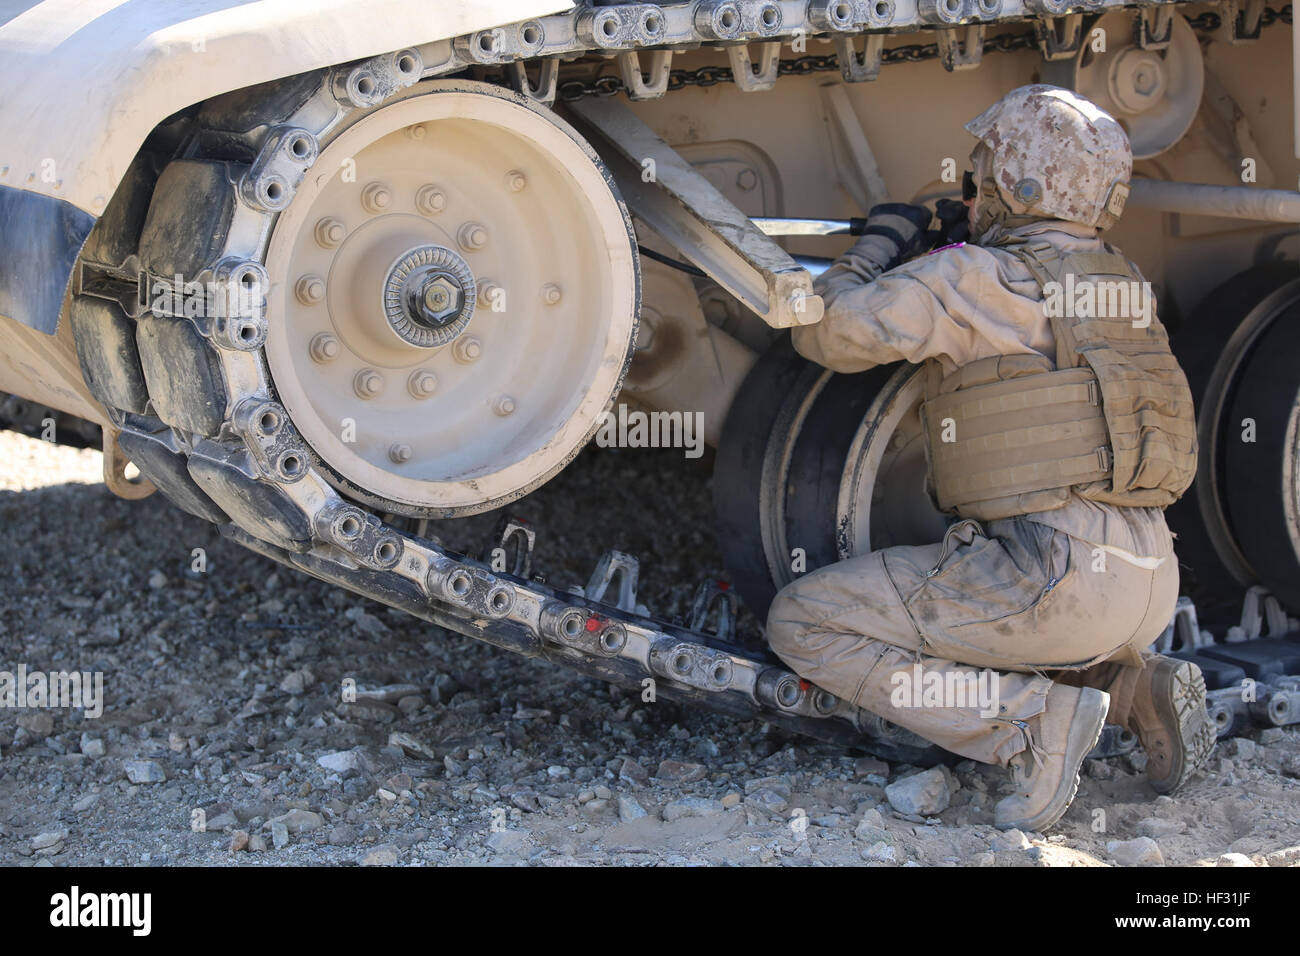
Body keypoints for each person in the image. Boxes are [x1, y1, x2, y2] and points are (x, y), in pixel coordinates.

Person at [766, 84, 1216, 831]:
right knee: (1011, 615)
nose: (972, 197)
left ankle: (1029, 723)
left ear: (1016, 183)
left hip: (1055, 578)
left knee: (804, 623)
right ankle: (1133, 690)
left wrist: (882, 242)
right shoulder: (1125, 286)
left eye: (980, 178)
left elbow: (830, 332)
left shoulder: (971, 277)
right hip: (1151, 582)